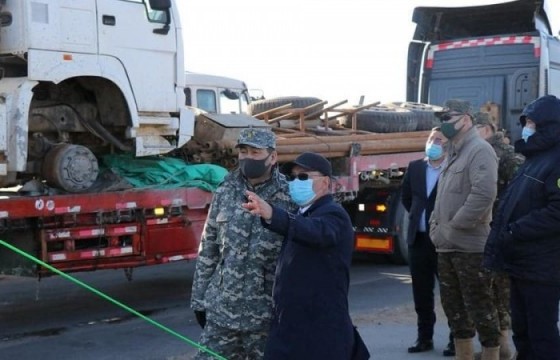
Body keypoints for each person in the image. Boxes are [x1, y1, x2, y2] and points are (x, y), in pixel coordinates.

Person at [242, 152, 370, 360]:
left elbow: (314, 231)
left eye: (303, 177)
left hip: (319, 331)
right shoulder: (302, 213)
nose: (295, 182)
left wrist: (274, 215)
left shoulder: (333, 214)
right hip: (289, 327)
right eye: (292, 178)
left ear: (325, 182)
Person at [190, 128, 292, 360]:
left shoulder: (288, 196)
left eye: (255, 152)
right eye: (243, 151)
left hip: (267, 316)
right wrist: (199, 300)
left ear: (272, 157)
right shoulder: (225, 191)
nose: (248, 157)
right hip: (223, 312)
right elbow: (209, 248)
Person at [484, 95, 560, 359]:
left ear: (549, 126)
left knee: (542, 335)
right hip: (521, 262)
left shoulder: (556, 159)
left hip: (542, 266)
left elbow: (557, 211)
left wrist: (517, 230)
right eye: (526, 122)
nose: (526, 128)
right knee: (523, 332)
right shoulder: (534, 157)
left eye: (531, 123)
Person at [429, 99, 501, 360]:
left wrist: (453, 226)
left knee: (481, 310)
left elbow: (483, 195)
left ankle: (493, 354)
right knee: (455, 312)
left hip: (470, 248)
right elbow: (442, 197)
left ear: (466, 120)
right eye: (442, 118)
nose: (444, 123)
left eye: (449, 118)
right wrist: (435, 228)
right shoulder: (453, 151)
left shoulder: (479, 150)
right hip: (447, 246)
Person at [474, 111, 525, 359]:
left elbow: (520, 195)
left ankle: (507, 348)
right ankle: (498, 348)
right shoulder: (478, 152)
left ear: (485, 129)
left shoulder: (505, 156)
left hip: (502, 232)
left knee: (501, 293)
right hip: (488, 232)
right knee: (489, 293)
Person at [401, 127, 455, 356]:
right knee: (421, 293)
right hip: (419, 240)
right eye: (431, 138)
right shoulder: (415, 168)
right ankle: (424, 338)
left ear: (448, 145)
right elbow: (407, 198)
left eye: (439, 140)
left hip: (444, 241)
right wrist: (417, 217)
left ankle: (456, 338)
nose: (433, 143)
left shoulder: (453, 168)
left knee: (451, 293)